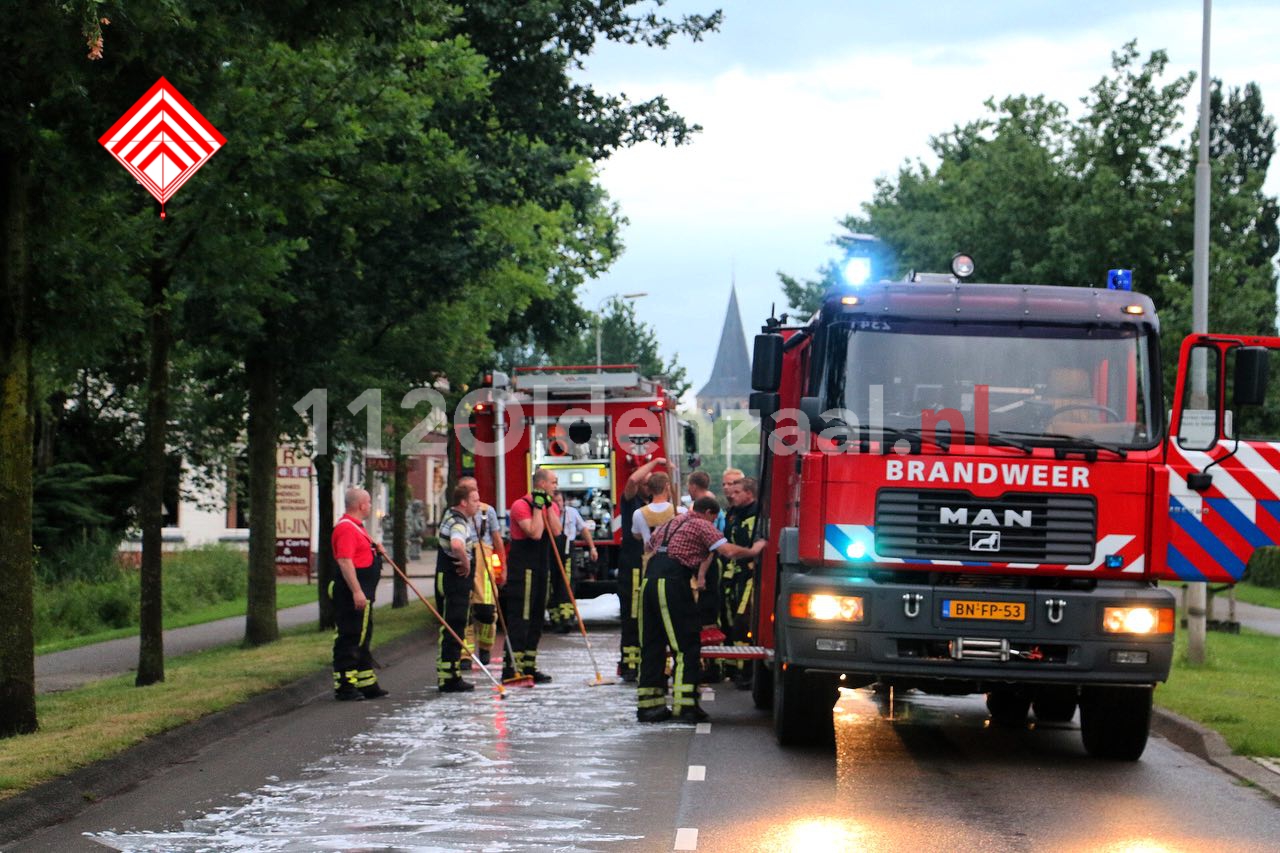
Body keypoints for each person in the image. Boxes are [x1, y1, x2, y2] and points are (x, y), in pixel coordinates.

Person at [637, 496, 766, 723]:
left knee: (653, 644)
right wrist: (754, 550)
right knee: (686, 646)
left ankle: (649, 706)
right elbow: (727, 551)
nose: (714, 522)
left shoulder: (671, 522)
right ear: (709, 513)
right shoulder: (702, 524)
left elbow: (649, 545)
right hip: (673, 583)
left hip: (649, 582)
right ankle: (685, 706)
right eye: (714, 519)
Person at [502, 467, 561, 683]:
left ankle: (529, 666)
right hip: (523, 569)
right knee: (522, 618)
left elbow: (556, 531)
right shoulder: (521, 505)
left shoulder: (551, 505)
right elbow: (535, 533)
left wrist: (547, 507)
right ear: (542, 484)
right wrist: (537, 507)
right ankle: (512, 668)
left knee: (537, 618)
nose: (556, 487)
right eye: (553, 482)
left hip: (541, 567)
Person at [331, 487, 389, 701]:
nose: (371, 506)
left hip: (364, 592)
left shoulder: (358, 527)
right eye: (369, 502)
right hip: (353, 593)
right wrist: (356, 591)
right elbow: (345, 561)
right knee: (350, 637)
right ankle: (345, 685)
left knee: (363, 637)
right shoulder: (346, 528)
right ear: (361, 505)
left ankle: (366, 683)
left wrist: (375, 549)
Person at [617, 457, 666, 681]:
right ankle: (629, 665)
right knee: (632, 615)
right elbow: (632, 480)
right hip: (633, 564)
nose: (648, 488)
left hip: (652, 566)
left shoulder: (654, 507)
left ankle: (648, 662)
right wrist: (655, 461)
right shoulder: (631, 503)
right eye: (646, 484)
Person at [435, 483, 482, 692]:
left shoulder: (451, 516)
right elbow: (456, 544)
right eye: (474, 500)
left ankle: (450, 674)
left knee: (452, 627)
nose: (478, 504)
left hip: (450, 581)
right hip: (454, 582)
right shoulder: (458, 523)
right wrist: (466, 562)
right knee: (453, 627)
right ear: (463, 502)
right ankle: (449, 678)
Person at [458, 476, 506, 671]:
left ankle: (485, 647)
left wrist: (503, 567)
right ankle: (465, 655)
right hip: (463, 565)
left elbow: (497, 540)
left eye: (474, 489)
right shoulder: (455, 514)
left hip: (484, 568)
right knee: (464, 614)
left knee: (486, 612)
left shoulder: (487, 511)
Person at [722, 477, 760, 689]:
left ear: (749, 493)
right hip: (733, 575)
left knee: (742, 622)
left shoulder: (757, 514)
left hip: (749, 575)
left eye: (737, 492)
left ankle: (746, 671)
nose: (731, 495)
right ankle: (735, 668)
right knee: (731, 620)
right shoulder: (733, 514)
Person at [546, 492, 598, 633]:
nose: (558, 504)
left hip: (568, 551)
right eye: (555, 502)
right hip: (551, 552)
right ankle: (555, 619)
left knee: (567, 584)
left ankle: (567, 619)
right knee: (552, 585)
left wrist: (592, 547)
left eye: (560, 501)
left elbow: (584, 529)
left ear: (564, 501)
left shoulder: (572, 513)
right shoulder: (548, 513)